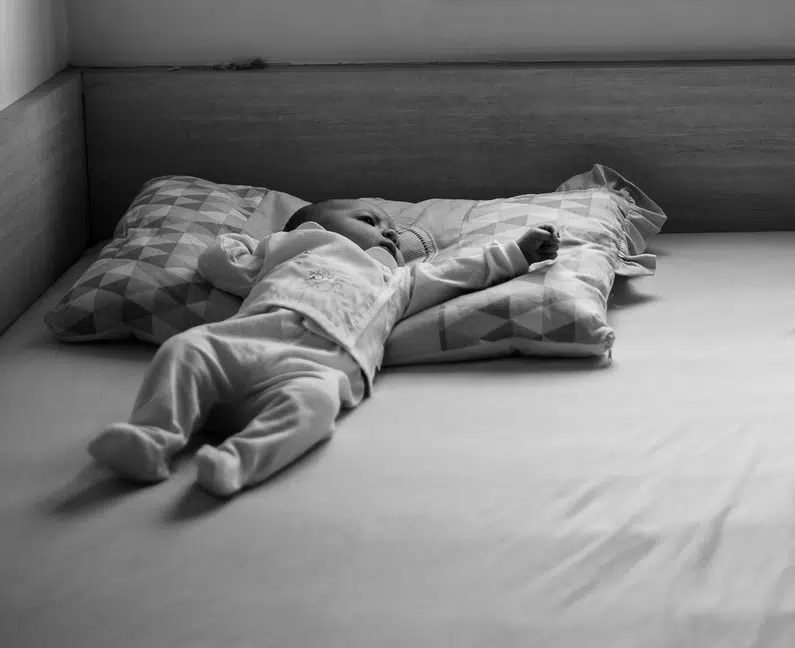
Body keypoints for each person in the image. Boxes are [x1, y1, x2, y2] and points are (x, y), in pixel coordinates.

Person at [88, 199, 559, 498]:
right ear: (312, 225)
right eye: (370, 219)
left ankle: (237, 462)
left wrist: (517, 252)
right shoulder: (290, 248)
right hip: (251, 338)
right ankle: (152, 437)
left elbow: (459, 273)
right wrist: (265, 240)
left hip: (324, 364)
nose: (389, 232)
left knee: (314, 406)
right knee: (186, 348)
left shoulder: (397, 279)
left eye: (394, 232)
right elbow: (219, 262)